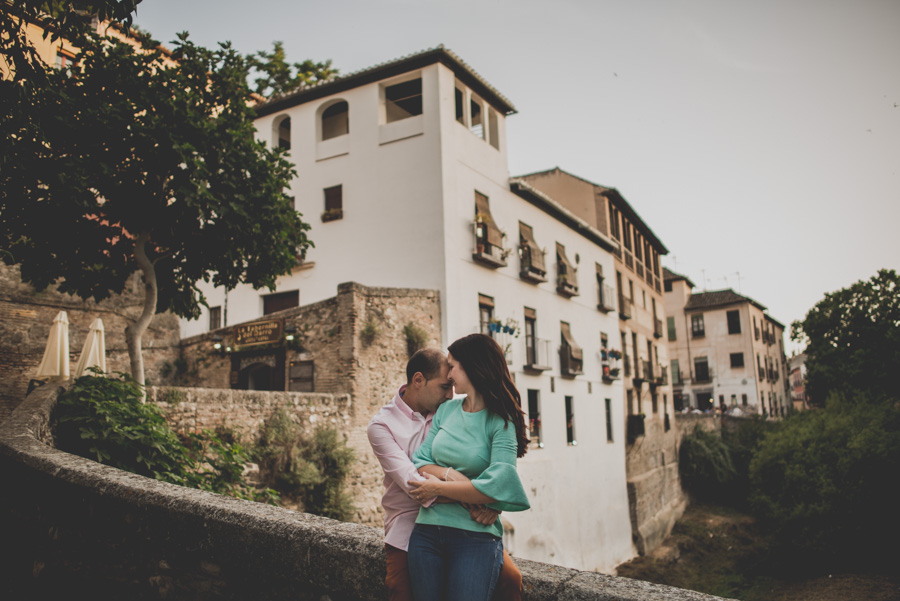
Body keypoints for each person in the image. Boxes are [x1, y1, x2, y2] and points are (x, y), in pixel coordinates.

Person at [367, 347, 523, 601]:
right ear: (418, 381)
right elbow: (416, 485)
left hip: (463, 518)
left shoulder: (450, 411)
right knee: (401, 591)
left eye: (452, 385)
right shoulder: (382, 426)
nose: (450, 394)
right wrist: (481, 496)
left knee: (510, 580)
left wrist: (487, 496)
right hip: (409, 521)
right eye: (443, 386)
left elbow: (488, 465)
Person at [406, 334, 530, 601]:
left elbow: (498, 486)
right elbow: (421, 462)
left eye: (453, 366)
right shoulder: (445, 410)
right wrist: (461, 481)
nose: (449, 375)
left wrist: (437, 488)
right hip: (426, 534)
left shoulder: (501, 421)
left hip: (475, 538)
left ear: (472, 367)